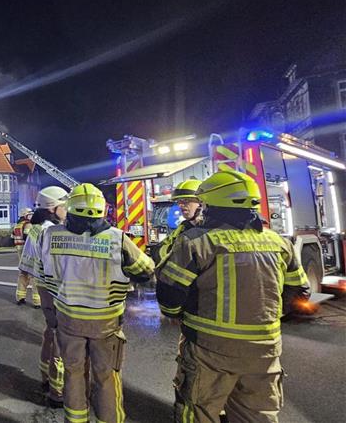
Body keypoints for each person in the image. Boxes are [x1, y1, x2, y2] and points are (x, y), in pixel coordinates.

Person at [156, 171, 310, 423]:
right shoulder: (278, 242)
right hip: (265, 351)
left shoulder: (197, 242)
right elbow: (300, 290)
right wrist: (265, 317)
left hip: (209, 349)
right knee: (257, 415)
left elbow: (169, 293)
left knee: (197, 411)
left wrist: (177, 315)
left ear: (214, 205)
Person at [40, 183, 155, 423]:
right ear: (102, 210)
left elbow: (45, 273)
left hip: (68, 320)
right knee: (106, 377)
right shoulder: (117, 239)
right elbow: (145, 271)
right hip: (105, 323)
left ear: (69, 209)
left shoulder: (51, 236)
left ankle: (76, 419)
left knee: (73, 374)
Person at [19, 186, 69, 407]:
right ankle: (57, 391)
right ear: (54, 207)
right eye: (64, 206)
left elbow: (28, 264)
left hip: (42, 286)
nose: (67, 210)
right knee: (61, 336)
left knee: (50, 333)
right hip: (55, 288)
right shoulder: (53, 231)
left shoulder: (37, 229)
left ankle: (45, 377)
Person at [154, 179, 203, 266]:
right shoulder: (183, 227)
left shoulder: (211, 229)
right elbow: (157, 250)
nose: (180, 205)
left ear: (202, 202)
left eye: (186, 200)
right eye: (178, 201)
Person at [14, 207, 38, 306]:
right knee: (34, 275)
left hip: (20, 252)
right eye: (30, 214)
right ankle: (37, 301)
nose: (31, 216)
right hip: (28, 251)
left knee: (23, 274)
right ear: (25, 215)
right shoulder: (28, 224)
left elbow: (13, 238)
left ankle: (20, 298)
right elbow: (28, 237)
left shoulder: (17, 225)